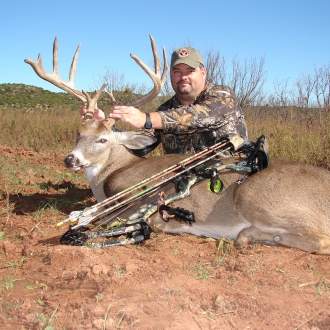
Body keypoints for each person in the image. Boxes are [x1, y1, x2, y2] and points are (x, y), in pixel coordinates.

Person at [82, 47, 248, 155]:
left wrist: (146, 119)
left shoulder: (223, 95)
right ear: (171, 75)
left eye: (190, 71)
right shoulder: (166, 108)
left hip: (232, 177)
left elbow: (201, 115)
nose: (183, 77)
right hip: (185, 182)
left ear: (203, 72)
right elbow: (139, 144)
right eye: (177, 71)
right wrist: (104, 126)